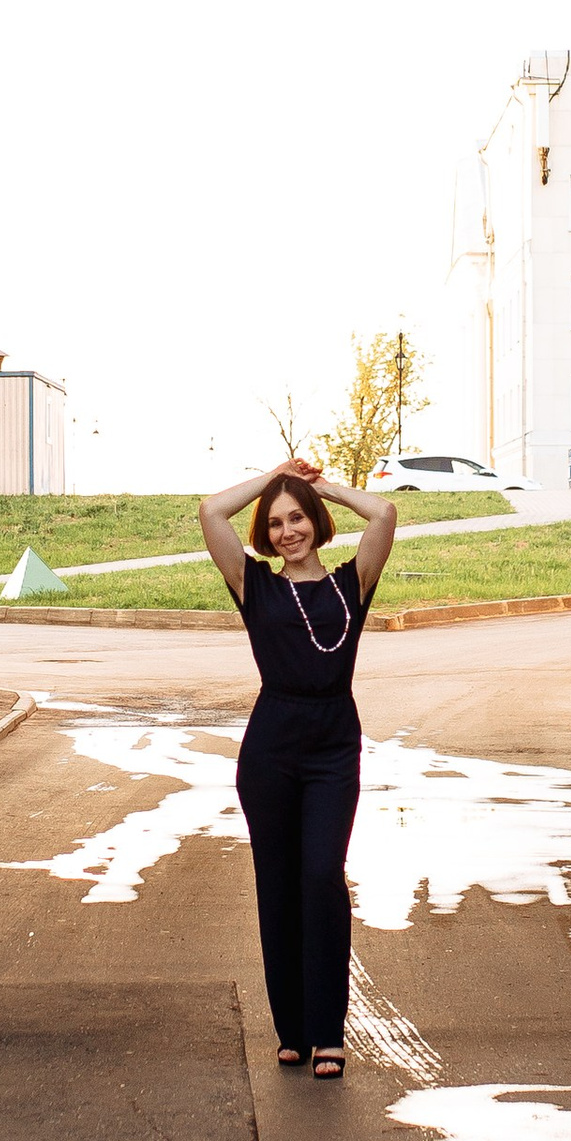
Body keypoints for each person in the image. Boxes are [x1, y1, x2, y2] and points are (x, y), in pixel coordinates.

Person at [199, 462, 397, 1078]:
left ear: (315, 521)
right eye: (276, 523)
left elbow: (385, 513)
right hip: (271, 751)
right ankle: (292, 1029)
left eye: (298, 518)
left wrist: (321, 486)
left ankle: (327, 1031)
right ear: (265, 533)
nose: (288, 532)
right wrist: (272, 477)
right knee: (279, 885)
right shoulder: (253, 585)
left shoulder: (351, 583)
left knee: (321, 876)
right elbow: (210, 511)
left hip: (333, 748)